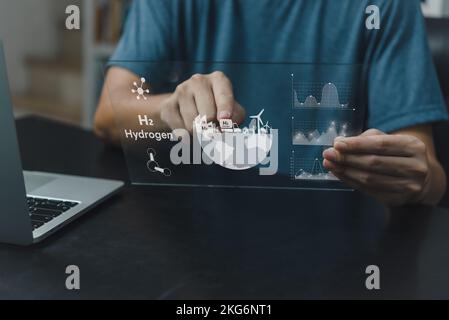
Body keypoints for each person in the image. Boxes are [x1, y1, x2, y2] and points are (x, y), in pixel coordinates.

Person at [94, 0, 449, 206]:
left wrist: (420, 181)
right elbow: (109, 115)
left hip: (337, 252)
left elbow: (429, 177)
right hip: (194, 241)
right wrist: (171, 108)